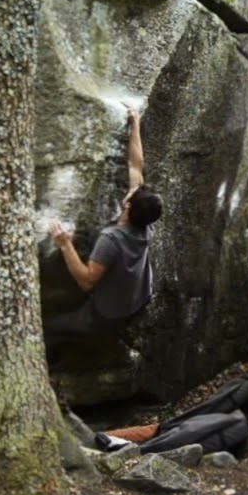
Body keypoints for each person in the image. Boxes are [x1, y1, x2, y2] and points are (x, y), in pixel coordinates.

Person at [45, 102, 162, 350]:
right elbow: (135, 166)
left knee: (52, 327)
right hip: (140, 296)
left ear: (129, 207)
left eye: (134, 193)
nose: (133, 188)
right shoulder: (146, 221)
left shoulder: (112, 239)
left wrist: (65, 244)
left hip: (111, 312)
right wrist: (135, 122)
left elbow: (87, 282)